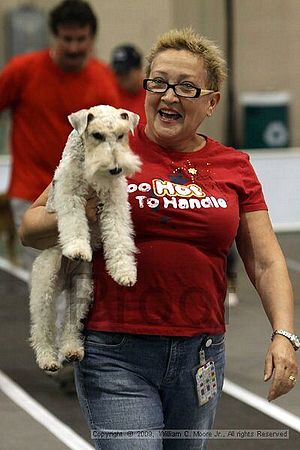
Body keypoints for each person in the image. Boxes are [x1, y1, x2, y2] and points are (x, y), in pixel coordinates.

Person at [20, 28, 298, 450]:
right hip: (114, 349)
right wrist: (83, 211)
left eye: (187, 86)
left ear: (211, 102)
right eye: (159, 82)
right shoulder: (108, 143)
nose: (169, 96)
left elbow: (265, 261)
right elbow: (32, 227)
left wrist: (284, 334)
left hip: (200, 353)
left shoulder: (234, 166)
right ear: (146, 86)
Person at [0, 0, 120, 270]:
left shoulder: (103, 80)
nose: (74, 47)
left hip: (79, 195)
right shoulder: (22, 70)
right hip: (30, 194)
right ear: (55, 36)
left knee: (80, 281)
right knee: (46, 275)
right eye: (67, 39)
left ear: (92, 38)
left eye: (81, 39)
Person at [110, 44, 146, 123]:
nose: (121, 77)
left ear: (139, 69)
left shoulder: (151, 96)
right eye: (118, 73)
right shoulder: (110, 94)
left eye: (125, 72)